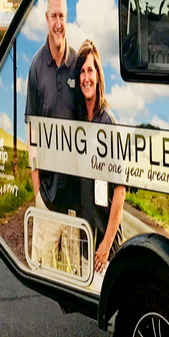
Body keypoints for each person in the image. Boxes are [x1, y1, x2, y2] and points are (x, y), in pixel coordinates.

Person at [25, 0, 82, 270]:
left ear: (67, 17)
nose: (58, 23)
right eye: (53, 16)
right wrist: (37, 189)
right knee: (43, 271)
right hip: (47, 196)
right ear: (46, 19)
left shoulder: (79, 64)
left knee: (76, 277)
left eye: (62, 16)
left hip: (75, 199)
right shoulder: (36, 66)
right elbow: (32, 130)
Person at [74, 38, 126, 273]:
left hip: (106, 251)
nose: (86, 78)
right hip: (85, 244)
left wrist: (105, 246)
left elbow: (120, 190)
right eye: (82, 71)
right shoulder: (77, 123)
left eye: (90, 70)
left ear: (98, 76)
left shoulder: (109, 123)